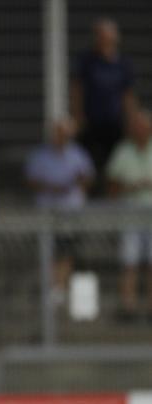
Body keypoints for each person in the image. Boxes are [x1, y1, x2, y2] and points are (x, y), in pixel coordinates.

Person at [25, 117, 94, 304]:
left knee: (66, 249)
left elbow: (88, 178)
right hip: (46, 212)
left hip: (70, 211)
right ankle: (50, 285)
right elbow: (30, 180)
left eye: (64, 134)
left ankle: (60, 286)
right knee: (48, 250)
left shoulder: (78, 154)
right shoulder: (40, 155)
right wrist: (51, 187)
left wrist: (74, 183)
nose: (61, 137)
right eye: (58, 133)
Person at [71, 18, 136, 197]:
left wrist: (131, 120)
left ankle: (112, 200)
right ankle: (90, 199)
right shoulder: (86, 60)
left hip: (115, 122)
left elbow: (128, 95)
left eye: (107, 36)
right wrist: (77, 116)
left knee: (114, 165)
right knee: (88, 164)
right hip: (91, 122)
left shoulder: (123, 63)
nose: (104, 40)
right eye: (100, 36)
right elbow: (77, 90)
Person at [106, 110, 152, 320]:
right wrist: (132, 186)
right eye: (136, 127)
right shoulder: (123, 151)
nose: (140, 130)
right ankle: (128, 308)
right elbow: (111, 185)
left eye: (143, 127)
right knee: (129, 261)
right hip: (130, 214)